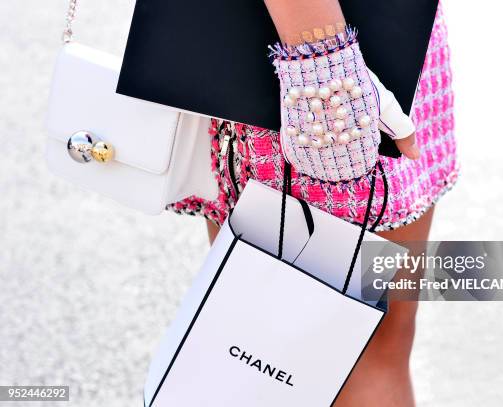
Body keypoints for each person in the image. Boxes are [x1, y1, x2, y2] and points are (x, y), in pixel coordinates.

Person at [168, 1, 457, 405]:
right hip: (314, 62)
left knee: (353, 345)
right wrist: (325, 63)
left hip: (362, 50)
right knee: (333, 351)